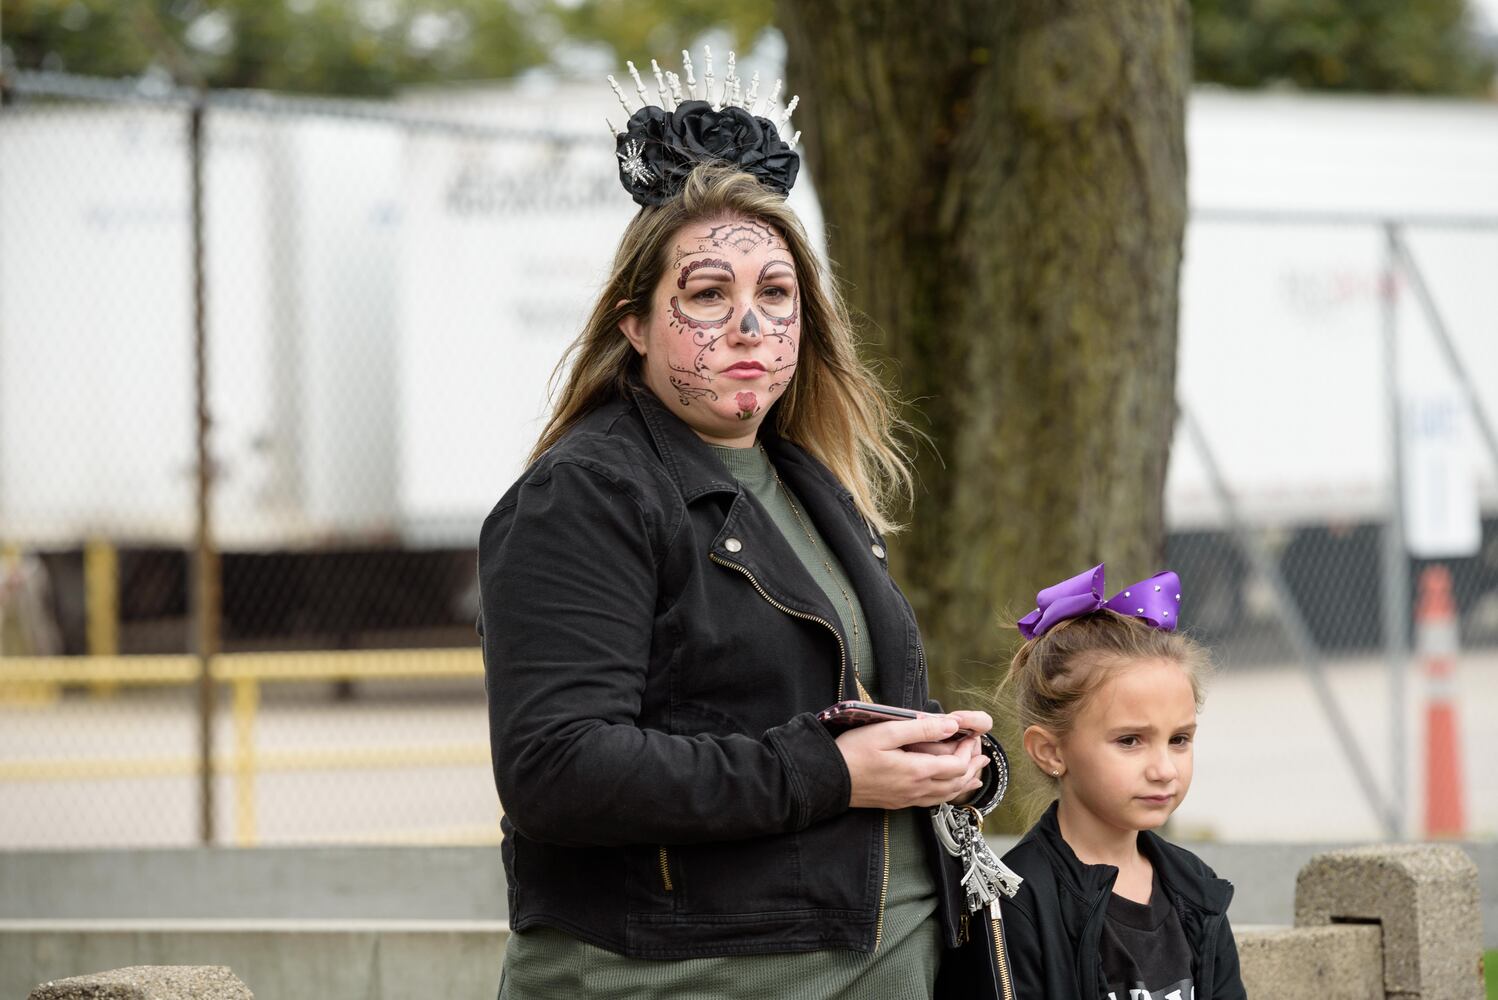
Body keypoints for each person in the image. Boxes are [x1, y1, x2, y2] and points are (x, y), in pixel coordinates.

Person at [478, 51, 1006, 999]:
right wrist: (832, 772)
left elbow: (802, 709)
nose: (751, 328)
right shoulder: (586, 494)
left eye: (776, 296)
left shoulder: (807, 484)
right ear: (634, 323)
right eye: (709, 295)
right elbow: (556, 769)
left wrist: (935, 758)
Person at [996, 564, 1247, 1000]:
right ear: (1051, 751)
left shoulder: (1196, 887)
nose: (1164, 769)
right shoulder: (1019, 900)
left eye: (1179, 739)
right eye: (1130, 740)